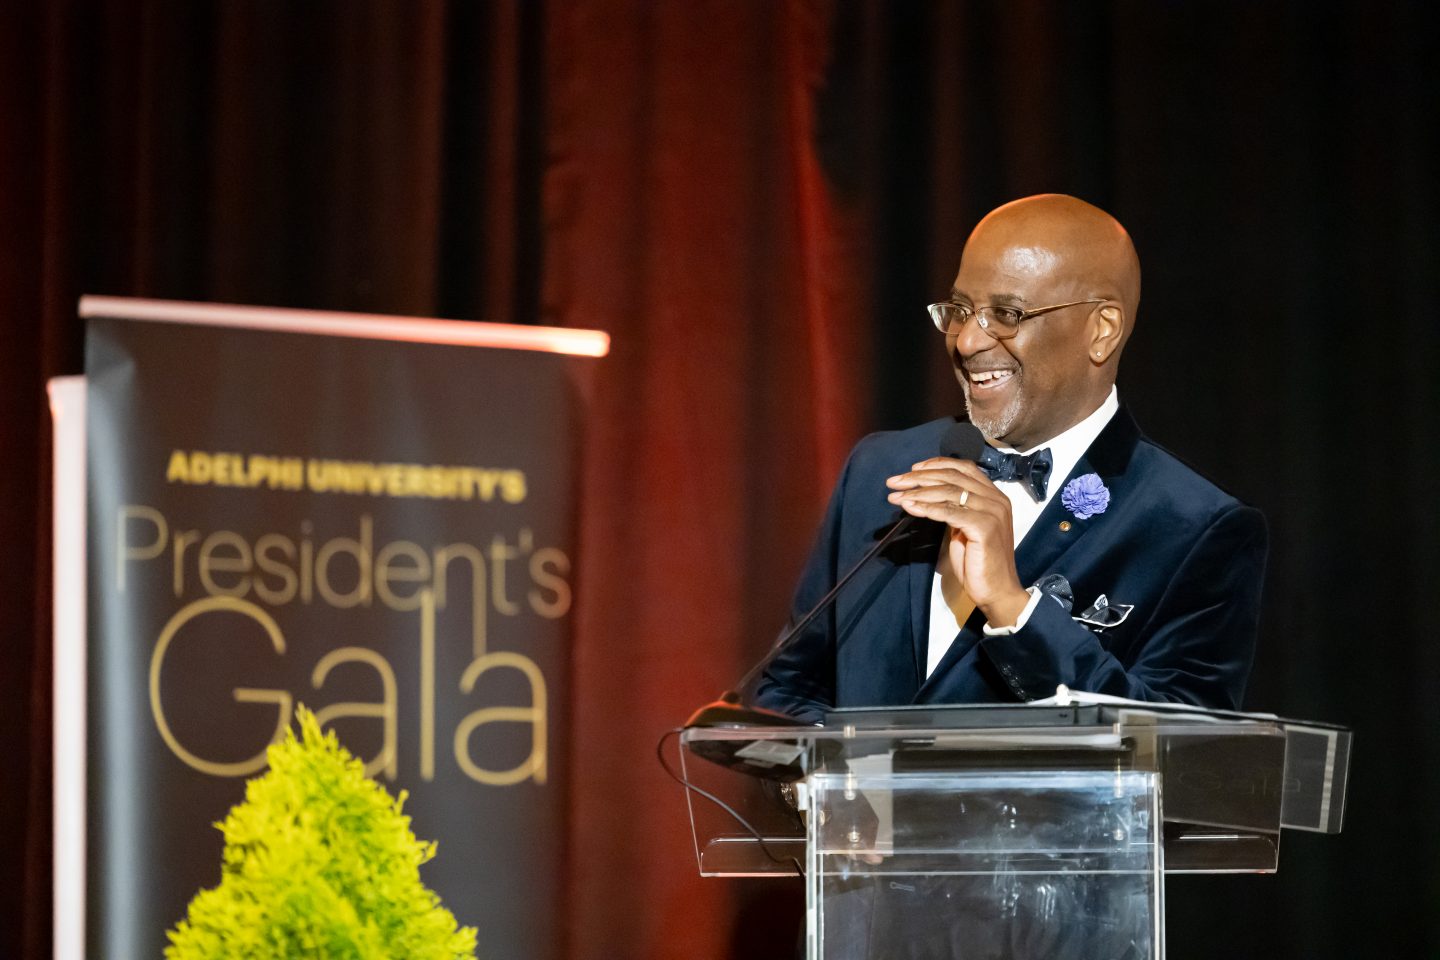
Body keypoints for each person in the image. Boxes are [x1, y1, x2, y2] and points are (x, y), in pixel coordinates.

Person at [753, 194, 1266, 723]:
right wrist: (832, 793)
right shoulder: (881, 469)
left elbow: (1179, 760)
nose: (969, 340)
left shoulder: (1193, 527)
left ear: (1102, 329)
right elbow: (786, 692)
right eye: (959, 310)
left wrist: (1013, 608)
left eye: (1007, 314)